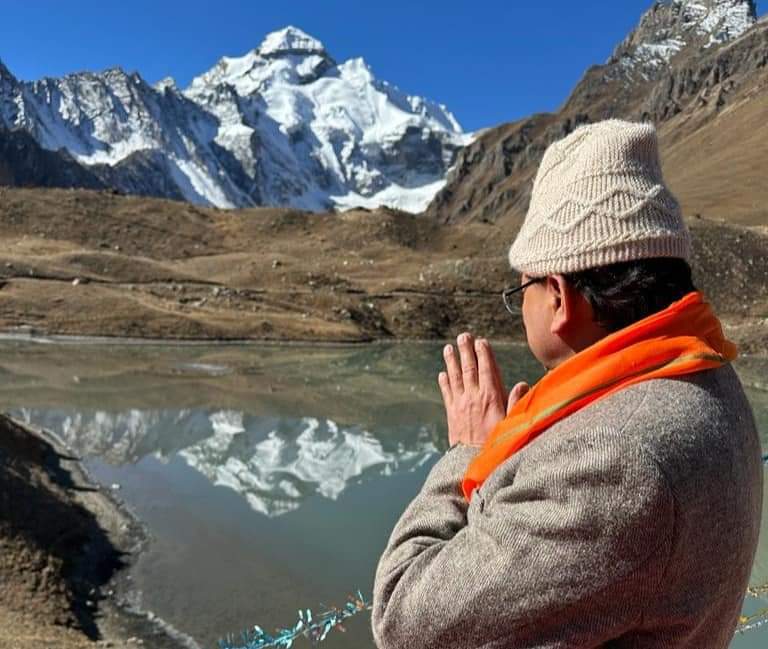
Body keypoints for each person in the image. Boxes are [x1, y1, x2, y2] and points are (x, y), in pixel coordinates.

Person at [371, 119, 763, 648]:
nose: (521, 304)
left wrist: (467, 456)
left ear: (558, 296)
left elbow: (404, 620)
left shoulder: (612, 461)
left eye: (523, 287)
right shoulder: (709, 373)